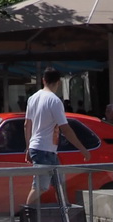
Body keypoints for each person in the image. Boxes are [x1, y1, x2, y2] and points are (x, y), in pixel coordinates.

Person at [23, 67, 89, 197]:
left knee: (58, 184)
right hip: (45, 149)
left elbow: (27, 125)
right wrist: (83, 149)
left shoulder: (32, 98)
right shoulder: (55, 101)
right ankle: (29, 216)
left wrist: (28, 147)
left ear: (43, 80)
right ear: (58, 82)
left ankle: (63, 213)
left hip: (41, 148)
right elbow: (65, 128)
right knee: (40, 187)